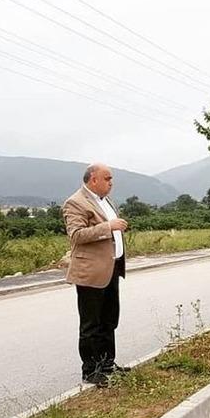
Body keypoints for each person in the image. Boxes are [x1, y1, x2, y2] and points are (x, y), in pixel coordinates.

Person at [63, 163, 130, 387]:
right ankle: (91, 370)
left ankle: (107, 364)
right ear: (93, 180)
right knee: (91, 324)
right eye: (107, 178)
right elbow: (77, 235)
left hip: (110, 269)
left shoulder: (104, 201)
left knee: (109, 320)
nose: (111, 183)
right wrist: (109, 227)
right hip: (90, 273)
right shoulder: (76, 202)